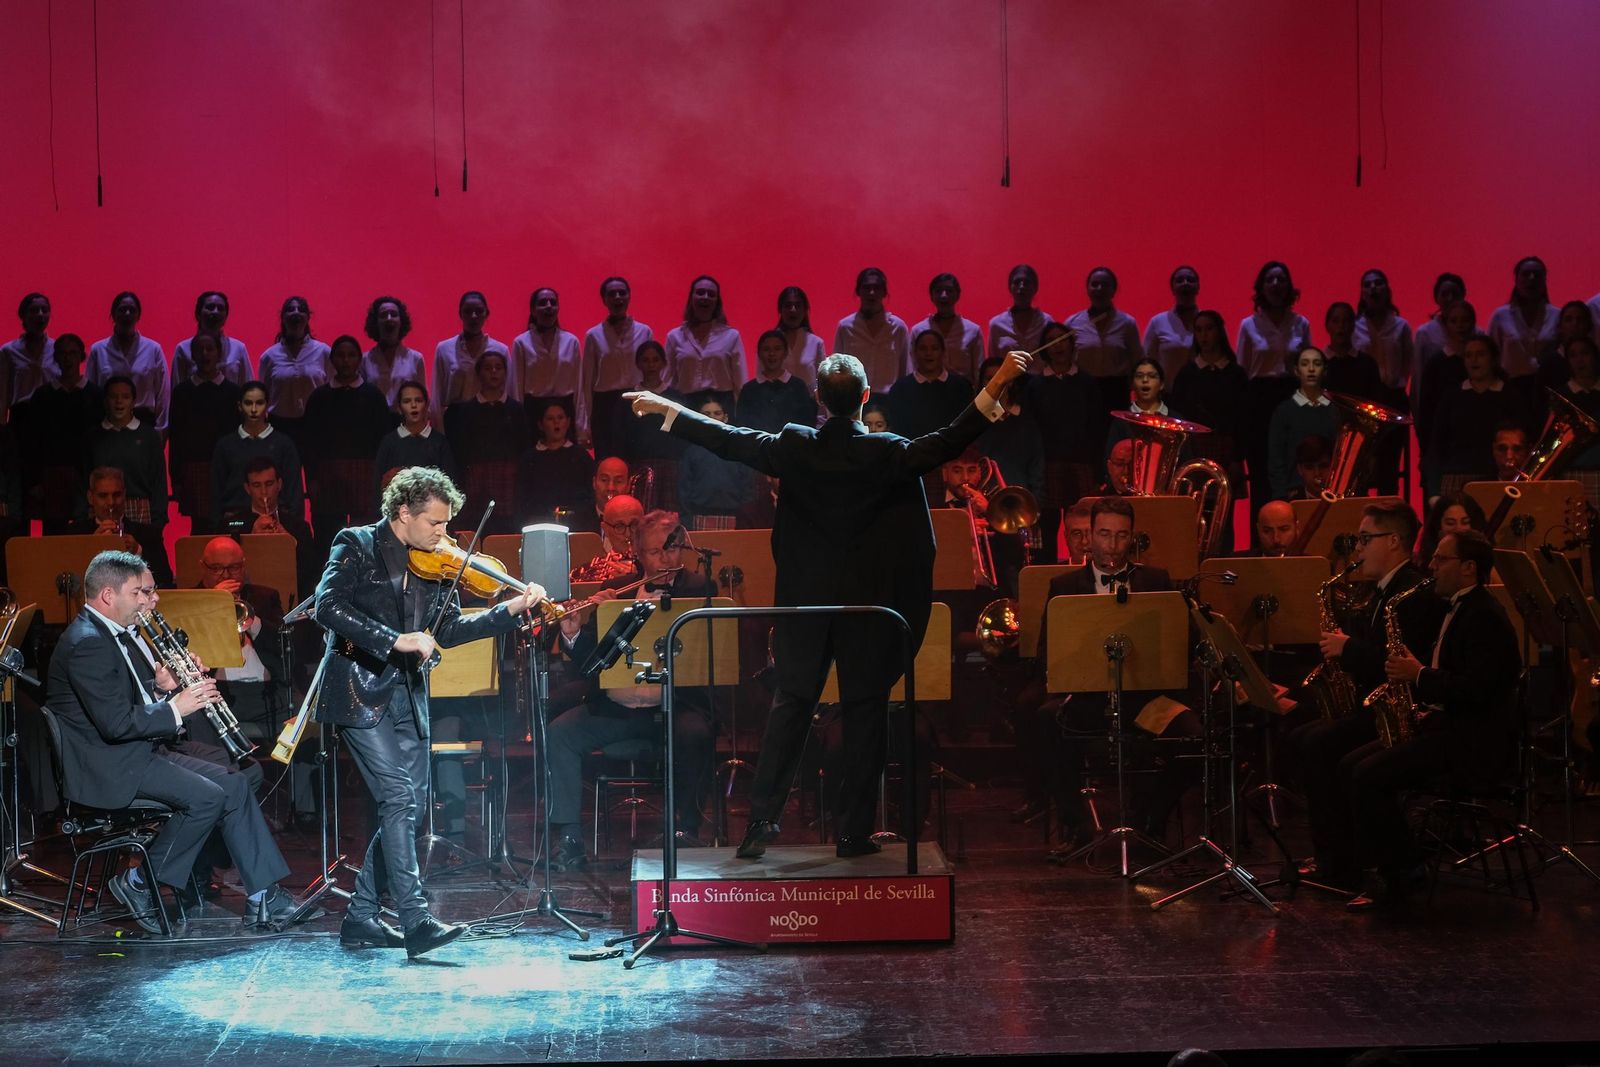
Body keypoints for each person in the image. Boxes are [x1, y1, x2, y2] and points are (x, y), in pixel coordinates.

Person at [626, 348, 1027, 858]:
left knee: (790, 706)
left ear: (818, 399)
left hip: (807, 608)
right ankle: (853, 832)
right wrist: (1000, 384)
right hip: (868, 612)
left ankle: (761, 823)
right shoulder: (887, 451)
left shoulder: (796, 444)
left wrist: (667, 409)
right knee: (865, 714)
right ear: (865, 397)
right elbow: (951, 439)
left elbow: (730, 441)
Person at [311, 466, 545, 956]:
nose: (445, 535)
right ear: (403, 513)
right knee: (397, 798)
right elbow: (327, 607)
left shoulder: (434, 562)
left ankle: (361, 917)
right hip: (356, 687)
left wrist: (509, 611)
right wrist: (394, 638)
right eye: (436, 524)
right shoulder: (355, 543)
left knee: (409, 807)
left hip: (408, 692)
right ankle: (416, 919)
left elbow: (451, 628)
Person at [45, 550, 309, 932]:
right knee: (209, 796)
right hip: (111, 766)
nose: (148, 601)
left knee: (237, 780)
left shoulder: (116, 633)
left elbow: (126, 699)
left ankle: (261, 895)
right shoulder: (87, 642)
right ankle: (139, 882)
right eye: (138, 593)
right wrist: (179, 706)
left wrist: (162, 687)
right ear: (107, 595)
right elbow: (116, 723)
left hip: (137, 750)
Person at [1345, 530, 1520, 909]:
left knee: (1368, 776)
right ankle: (1375, 864)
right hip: (1448, 728)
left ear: (1469, 568)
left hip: (1472, 743)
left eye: (1442, 560)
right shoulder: (1458, 607)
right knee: (1351, 763)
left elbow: (1476, 690)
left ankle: (1402, 872)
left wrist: (1418, 675)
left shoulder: (1484, 616)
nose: (1432, 566)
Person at [543, 511, 719, 866]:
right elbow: (591, 664)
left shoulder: (700, 588)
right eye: (655, 552)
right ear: (638, 554)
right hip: (616, 709)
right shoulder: (619, 590)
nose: (666, 559)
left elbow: (712, 653)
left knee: (697, 732)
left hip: (675, 707)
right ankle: (569, 839)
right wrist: (575, 632)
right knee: (560, 734)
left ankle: (685, 830)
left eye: (671, 549)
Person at [1027, 497, 1203, 845]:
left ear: (1132, 537)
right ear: (1089, 536)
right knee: (1047, 722)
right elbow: (1048, 651)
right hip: (1088, 699)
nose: (1112, 545)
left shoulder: (1157, 579)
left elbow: (1184, 643)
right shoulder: (1063, 587)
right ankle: (1076, 824)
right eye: (1104, 534)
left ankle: (1150, 817)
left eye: (1122, 536)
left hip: (1145, 699)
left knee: (1194, 736)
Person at [1294, 500, 1445, 890]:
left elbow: (1395, 664)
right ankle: (1339, 853)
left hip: (1401, 711)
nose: (1357, 549)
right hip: (1377, 705)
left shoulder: (1411, 593)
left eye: (1365, 539)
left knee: (1318, 744)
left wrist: (1348, 649)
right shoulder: (1383, 590)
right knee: (1303, 736)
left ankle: (1347, 860)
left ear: (1394, 540)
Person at [301, 336, 394, 554]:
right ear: (332, 359)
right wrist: (312, 479)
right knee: (328, 539)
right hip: (329, 479)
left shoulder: (373, 396)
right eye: (340, 355)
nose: (345, 360)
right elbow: (309, 444)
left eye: (351, 355)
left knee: (368, 538)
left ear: (359, 359)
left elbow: (383, 441)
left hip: (365, 478)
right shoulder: (319, 397)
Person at [1022, 322, 1104, 562]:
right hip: (1048, 465)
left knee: (1084, 523)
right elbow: (1030, 430)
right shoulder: (1034, 386)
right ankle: (1048, 571)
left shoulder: (1087, 382)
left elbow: (1097, 428)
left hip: (1082, 464)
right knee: (1046, 525)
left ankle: (1087, 567)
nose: (1058, 346)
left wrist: (1098, 471)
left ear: (1072, 344)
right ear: (1044, 348)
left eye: (1063, 339)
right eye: (1052, 340)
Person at [1425, 333, 1536, 499]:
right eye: (1469, 355)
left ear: (1493, 359)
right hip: (1456, 478)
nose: (1474, 360)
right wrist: (1433, 492)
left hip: (1498, 480)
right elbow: (1436, 447)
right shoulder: (1452, 397)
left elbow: (1525, 441)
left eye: (1480, 354)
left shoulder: (1510, 396)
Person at [1237, 262, 1312, 508]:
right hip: (1260, 396)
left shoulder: (1301, 323)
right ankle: (1260, 538)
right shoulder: (1249, 325)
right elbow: (1243, 369)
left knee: (1292, 466)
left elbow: (1307, 365)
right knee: (1260, 468)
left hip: (1291, 394)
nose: (1276, 285)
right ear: (1261, 287)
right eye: (1270, 280)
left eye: (1281, 280)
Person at [10, 333, 98, 532]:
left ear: (81, 357)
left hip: (85, 477)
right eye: (63, 353)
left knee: (86, 531)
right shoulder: (42, 396)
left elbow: (98, 442)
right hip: (51, 478)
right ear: (55, 357)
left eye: (73, 353)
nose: (68, 358)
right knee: (53, 534)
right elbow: (32, 443)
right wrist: (35, 481)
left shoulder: (95, 395)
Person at [443, 350, 529, 537]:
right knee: (477, 529)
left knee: (507, 532)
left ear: (506, 373)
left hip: (508, 482)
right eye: (488, 368)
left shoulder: (516, 410)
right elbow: (460, 450)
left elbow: (523, 448)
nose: (493, 372)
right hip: (476, 482)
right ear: (479, 374)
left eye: (498, 368)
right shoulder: (466, 411)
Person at [168, 331, 242, 531]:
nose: (205, 354)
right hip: (195, 467)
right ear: (192, 355)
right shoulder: (182, 392)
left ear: (219, 353)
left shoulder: (233, 392)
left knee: (230, 522)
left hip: (227, 467)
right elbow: (176, 438)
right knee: (200, 525)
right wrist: (176, 478)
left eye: (210, 348)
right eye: (199, 349)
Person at [210, 380, 304, 531]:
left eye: (259, 403)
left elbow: (294, 492)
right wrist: (217, 526)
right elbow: (216, 492)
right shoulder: (225, 446)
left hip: (277, 523)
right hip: (235, 523)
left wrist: (294, 525)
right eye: (248, 403)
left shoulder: (284, 444)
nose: (254, 409)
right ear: (239, 406)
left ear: (267, 405)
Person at [219, 456, 319, 593]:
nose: (264, 492)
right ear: (247, 488)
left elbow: (312, 570)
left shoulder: (298, 526)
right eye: (256, 485)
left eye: (269, 484)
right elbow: (225, 567)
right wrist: (252, 538)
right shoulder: (230, 524)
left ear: (279, 484)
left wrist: (288, 542)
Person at [67, 467, 174, 587]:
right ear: (91, 498)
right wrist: (93, 546)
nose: (111, 502)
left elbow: (165, 581)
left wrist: (138, 552)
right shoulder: (73, 534)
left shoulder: (148, 534)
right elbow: (68, 584)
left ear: (124, 495)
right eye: (103, 496)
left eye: (117, 495)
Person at [86, 375, 168, 530]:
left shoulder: (148, 436)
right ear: (105, 402)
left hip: (139, 509)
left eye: (125, 397)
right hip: (102, 509)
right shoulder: (93, 437)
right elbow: (83, 478)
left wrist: (158, 519)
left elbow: (158, 481)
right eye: (113, 397)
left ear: (133, 402)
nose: (119, 401)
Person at [583, 277, 652, 460]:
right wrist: (586, 422)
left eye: (622, 292)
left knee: (637, 456)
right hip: (604, 404)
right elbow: (587, 380)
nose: (617, 297)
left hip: (635, 400)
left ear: (629, 296)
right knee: (606, 457)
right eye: (611, 294)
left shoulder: (644, 332)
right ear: (604, 300)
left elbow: (651, 371)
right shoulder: (593, 335)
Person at [1063, 265, 1143, 412]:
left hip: (1116, 391)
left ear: (1113, 290)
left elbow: (1137, 360)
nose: (1099, 288)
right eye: (1094, 284)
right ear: (1087, 289)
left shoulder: (1127, 323)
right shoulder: (1072, 323)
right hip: (1082, 389)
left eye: (1105, 285)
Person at [256, 296, 331, 448]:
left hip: (314, 425)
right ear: (282, 317)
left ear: (308, 317)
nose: (296, 313)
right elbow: (263, 397)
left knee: (316, 471)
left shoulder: (324, 352)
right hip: (279, 426)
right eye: (290, 309)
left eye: (301, 310)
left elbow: (332, 392)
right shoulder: (269, 356)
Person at [88, 291, 168, 432]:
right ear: (113, 314)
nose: (127, 314)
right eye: (122, 310)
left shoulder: (153, 349)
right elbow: (90, 393)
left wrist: (161, 429)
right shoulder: (98, 350)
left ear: (139, 315)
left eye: (132, 310)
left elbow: (163, 393)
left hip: (144, 424)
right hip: (108, 425)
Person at [665, 274, 745, 415]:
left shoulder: (731, 336)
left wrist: (742, 413)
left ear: (717, 301)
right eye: (700, 292)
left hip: (722, 407)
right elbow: (668, 380)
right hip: (686, 406)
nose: (705, 297)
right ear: (691, 298)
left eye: (711, 294)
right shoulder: (674, 337)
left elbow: (740, 381)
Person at [432, 290, 513, 428]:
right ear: (460, 314)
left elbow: (509, 391)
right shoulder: (444, 349)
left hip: (491, 420)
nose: (473, 316)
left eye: (479, 311)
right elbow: (437, 394)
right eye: (468, 311)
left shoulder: (500, 350)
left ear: (487, 314)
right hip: (455, 422)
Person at [514, 287, 585, 441]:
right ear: (533, 310)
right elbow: (516, 386)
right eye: (542, 303)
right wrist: (517, 423)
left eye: (552, 302)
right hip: (534, 412)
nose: (548, 306)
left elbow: (579, 386)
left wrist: (581, 426)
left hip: (564, 410)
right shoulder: (521, 343)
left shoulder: (571, 341)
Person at [1268, 348, 1339, 499]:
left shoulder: (1337, 411)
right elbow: (1276, 459)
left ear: (1324, 370)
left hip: (1333, 494)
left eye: (1317, 364)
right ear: (1296, 371)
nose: (1311, 369)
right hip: (1294, 494)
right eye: (1305, 364)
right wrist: (1281, 496)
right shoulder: (1284, 411)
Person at [833, 267, 910, 403]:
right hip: (854, 400)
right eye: (866, 288)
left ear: (884, 292)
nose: (871, 293)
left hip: (889, 401)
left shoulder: (898, 328)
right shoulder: (845, 327)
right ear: (858, 291)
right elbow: (837, 368)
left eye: (877, 288)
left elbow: (905, 370)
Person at [514, 399, 595, 527]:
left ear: (568, 422)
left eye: (560, 417)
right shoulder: (529, 459)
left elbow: (589, 496)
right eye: (550, 418)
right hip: (539, 523)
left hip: (576, 524)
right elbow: (522, 500)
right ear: (541, 425)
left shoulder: (581, 457)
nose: (556, 422)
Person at [1414, 298, 1478, 461]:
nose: (1460, 326)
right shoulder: (1436, 364)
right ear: (1445, 325)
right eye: (1454, 321)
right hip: (1444, 442)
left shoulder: (1483, 362)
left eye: (1465, 320)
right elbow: (1427, 409)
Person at [886, 328, 976, 442]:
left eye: (934, 348)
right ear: (914, 353)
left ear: (943, 352)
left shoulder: (962, 388)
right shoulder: (899, 389)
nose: (928, 353)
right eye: (923, 349)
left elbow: (966, 428)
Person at [676, 397, 754, 529]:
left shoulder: (738, 450)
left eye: (717, 413)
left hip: (735, 518)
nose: (712, 417)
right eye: (706, 414)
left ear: (725, 418)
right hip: (698, 517)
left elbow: (748, 489)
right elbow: (683, 491)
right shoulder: (691, 451)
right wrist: (687, 522)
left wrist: (745, 520)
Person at [375, 380, 457, 499]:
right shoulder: (389, 442)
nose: (413, 405)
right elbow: (378, 482)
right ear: (399, 408)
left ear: (427, 404)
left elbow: (449, 482)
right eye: (407, 401)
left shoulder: (439, 442)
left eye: (418, 400)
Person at [1487, 255, 1560, 380]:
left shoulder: (1557, 315)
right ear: (1516, 280)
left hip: (1548, 386)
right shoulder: (1500, 316)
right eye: (1526, 274)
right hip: (1510, 388)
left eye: (1537, 275)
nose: (1531, 278)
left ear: (1544, 281)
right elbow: (1491, 355)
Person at [738, 329, 818, 433]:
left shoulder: (798, 387)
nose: (772, 354)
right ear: (759, 354)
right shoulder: (749, 389)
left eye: (777, 349)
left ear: (785, 353)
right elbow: (742, 426)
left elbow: (806, 424)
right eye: (766, 349)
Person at [911, 272, 985, 383]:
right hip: (926, 392)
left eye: (949, 291)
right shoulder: (919, 330)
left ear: (958, 295)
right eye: (938, 291)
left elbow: (978, 370)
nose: (944, 295)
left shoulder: (973, 330)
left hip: (963, 393)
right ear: (931, 296)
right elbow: (912, 368)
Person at [1352, 269, 1415, 396]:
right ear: (1362, 294)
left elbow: (1408, 363)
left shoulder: (1401, 326)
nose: (1373, 287)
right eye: (1367, 285)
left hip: (1394, 395)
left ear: (1387, 290)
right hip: (1365, 396)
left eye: (1378, 283)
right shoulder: (1354, 327)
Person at [172, 291, 253, 387]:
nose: (215, 312)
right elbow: (176, 388)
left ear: (226, 316)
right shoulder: (183, 348)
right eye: (210, 307)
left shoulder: (238, 348)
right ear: (198, 314)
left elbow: (248, 388)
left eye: (220, 308)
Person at [361, 296, 427, 408]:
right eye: (383, 315)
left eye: (394, 314)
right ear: (376, 323)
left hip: (405, 423)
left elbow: (422, 400)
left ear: (401, 321)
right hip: (375, 422)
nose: (389, 318)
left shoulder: (415, 358)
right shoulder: (364, 360)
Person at [1, 291, 55, 421]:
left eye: (45, 310)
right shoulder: (8, 351)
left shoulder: (56, 348)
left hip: (52, 416)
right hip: (21, 418)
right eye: (34, 310)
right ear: (23, 316)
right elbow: (2, 394)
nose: (40, 314)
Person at [1142, 266, 1201, 379]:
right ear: (1172, 289)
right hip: (1168, 394)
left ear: (1198, 287)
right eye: (1179, 280)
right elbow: (1147, 362)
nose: (1185, 283)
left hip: (1203, 393)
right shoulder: (1158, 322)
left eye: (1190, 280)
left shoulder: (1210, 323)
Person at [987, 263, 1053, 360]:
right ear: (1010, 287)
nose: (1021, 287)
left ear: (1035, 288)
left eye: (1026, 282)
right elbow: (993, 361)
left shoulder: (1047, 322)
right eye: (1017, 282)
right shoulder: (996, 325)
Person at [1322, 301, 1384, 401]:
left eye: (1346, 321)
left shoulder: (1368, 364)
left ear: (1353, 326)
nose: (1341, 326)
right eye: (1335, 321)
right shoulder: (1317, 363)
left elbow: (1375, 401)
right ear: (1327, 326)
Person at [1413, 272, 1467, 385]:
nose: (1450, 298)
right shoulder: (1424, 333)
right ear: (1436, 298)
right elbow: (1418, 375)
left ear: (1463, 296)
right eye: (1444, 294)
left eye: (1455, 294)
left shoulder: (1477, 333)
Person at [775, 285, 826, 392]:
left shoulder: (816, 343)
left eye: (798, 306)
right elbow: (761, 378)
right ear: (780, 309)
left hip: (808, 404)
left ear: (805, 310)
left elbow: (823, 381)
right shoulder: (770, 342)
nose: (793, 310)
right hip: (776, 404)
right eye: (788, 305)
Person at [1417, 491, 1487, 565]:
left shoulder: (1485, 561)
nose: (1458, 529)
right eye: (1450, 523)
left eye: (1465, 522)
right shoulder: (1429, 563)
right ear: (1438, 527)